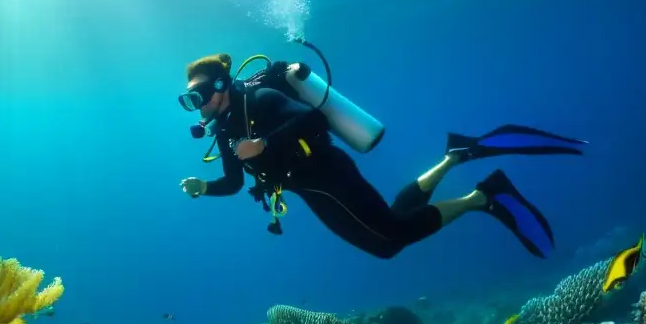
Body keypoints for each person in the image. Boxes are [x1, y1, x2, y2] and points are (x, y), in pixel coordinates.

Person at [178, 53, 586, 259]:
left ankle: (483, 197)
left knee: (389, 242)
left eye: (197, 95)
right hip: (311, 189)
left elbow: (315, 119)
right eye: (188, 99)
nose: (195, 105)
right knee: (390, 224)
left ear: (220, 85)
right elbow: (233, 183)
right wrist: (204, 188)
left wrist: (265, 145)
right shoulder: (227, 129)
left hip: (329, 175)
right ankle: (454, 157)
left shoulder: (262, 99)